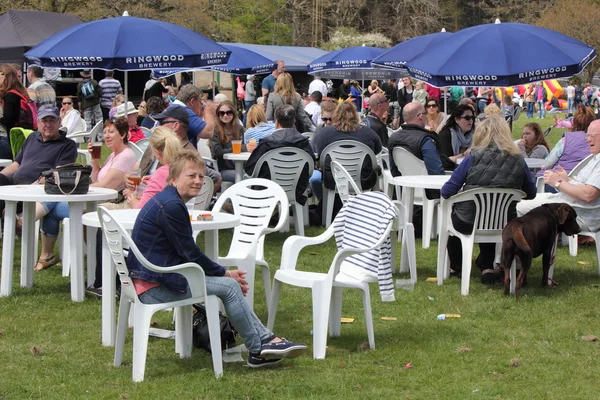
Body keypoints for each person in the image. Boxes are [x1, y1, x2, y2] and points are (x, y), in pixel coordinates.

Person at [127, 150, 307, 367]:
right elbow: (190, 253)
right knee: (230, 287)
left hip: (150, 278)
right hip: (153, 287)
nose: (198, 181)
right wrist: (224, 272)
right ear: (173, 178)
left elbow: (184, 254)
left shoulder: (168, 199)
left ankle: (265, 342)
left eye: (201, 177)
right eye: (191, 175)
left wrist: (224, 273)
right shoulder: (171, 206)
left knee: (229, 285)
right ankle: (260, 347)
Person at [441, 115, 537, 284]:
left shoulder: (473, 158)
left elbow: (447, 190)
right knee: (491, 212)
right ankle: (486, 266)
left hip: (468, 220)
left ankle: (457, 266)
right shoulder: (519, 160)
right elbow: (531, 193)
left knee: (463, 217)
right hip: (505, 222)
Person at [33, 117, 137, 271]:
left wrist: (77, 191)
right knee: (54, 205)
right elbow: (96, 178)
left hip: (107, 205)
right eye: (105, 132)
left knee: (53, 205)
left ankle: (27, 223)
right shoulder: (113, 155)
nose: (106, 135)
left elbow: (106, 186)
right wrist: (95, 160)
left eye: (111, 132)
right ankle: (45, 253)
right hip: (96, 201)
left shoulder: (126, 156)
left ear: (122, 134)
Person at [517, 119, 600, 233]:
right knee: (517, 200)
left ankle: (504, 244)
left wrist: (558, 183)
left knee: (515, 207)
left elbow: (589, 194)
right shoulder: (594, 157)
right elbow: (585, 185)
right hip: (565, 203)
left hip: (573, 213)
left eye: (592, 136)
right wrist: (566, 180)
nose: (588, 139)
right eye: (587, 135)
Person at [0, 105, 78, 214]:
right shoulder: (32, 137)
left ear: (59, 122)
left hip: (36, 191)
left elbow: (57, 175)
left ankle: (9, 222)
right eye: (44, 120)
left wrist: (30, 187)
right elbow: (16, 165)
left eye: (52, 120)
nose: (48, 124)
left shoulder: (68, 145)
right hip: (14, 184)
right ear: (38, 122)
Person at [245, 104, 315, 205]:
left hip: (267, 190)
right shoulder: (304, 142)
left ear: (276, 122)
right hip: (296, 190)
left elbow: (250, 168)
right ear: (294, 122)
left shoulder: (266, 143)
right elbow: (311, 167)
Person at [312, 102, 382, 193]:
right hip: (363, 180)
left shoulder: (323, 133)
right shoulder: (368, 132)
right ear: (355, 116)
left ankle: (325, 205)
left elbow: (314, 152)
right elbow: (377, 150)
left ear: (335, 116)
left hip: (333, 181)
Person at [388, 102, 445, 200]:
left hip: (405, 190)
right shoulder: (426, 140)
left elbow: (394, 171)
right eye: (425, 113)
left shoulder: (393, 137)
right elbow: (436, 173)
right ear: (421, 116)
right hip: (429, 194)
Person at [540, 105, 595, 178]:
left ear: (574, 122)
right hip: (585, 182)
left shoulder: (565, 141)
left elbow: (545, 165)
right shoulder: (596, 142)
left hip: (558, 182)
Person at [0, 64, 34, 157]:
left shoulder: (9, 95)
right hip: (21, 137)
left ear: (6, 76)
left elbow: (8, 120)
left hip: (9, 139)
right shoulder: (20, 92)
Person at [210, 100, 245, 183]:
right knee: (243, 175)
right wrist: (238, 148)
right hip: (222, 169)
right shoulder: (215, 130)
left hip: (239, 166)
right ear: (218, 115)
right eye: (222, 113)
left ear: (233, 113)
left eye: (228, 112)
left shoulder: (239, 128)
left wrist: (244, 148)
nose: (225, 115)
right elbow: (218, 152)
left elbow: (243, 148)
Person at [438, 104, 475, 170]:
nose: (471, 121)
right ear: (457, 119)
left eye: (472, 118)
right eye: (467, 118)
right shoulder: (446, 135)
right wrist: (464, 154)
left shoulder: (474, 135)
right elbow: (444, 161)